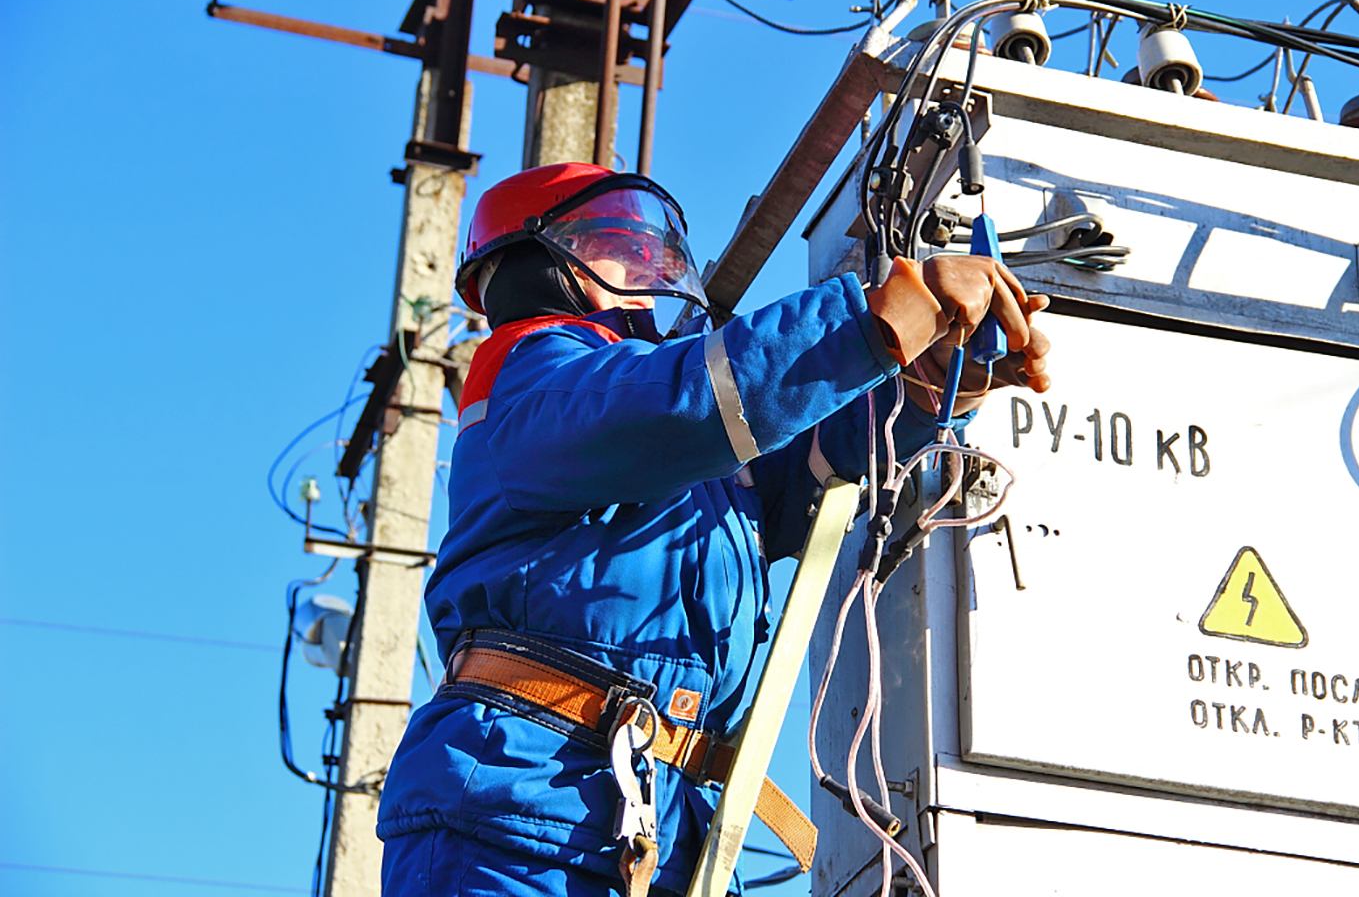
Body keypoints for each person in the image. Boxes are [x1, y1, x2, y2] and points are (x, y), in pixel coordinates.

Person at [376, 163, 1050, 897]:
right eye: (618, 250)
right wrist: (875, 320)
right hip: (518, 807)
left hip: (650, 817)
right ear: (538, 265)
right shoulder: (532, 369)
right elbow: (683, 402)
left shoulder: (687, 461)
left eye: (653, 252)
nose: (649, 270)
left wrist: (937, 376)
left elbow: (818, 468)